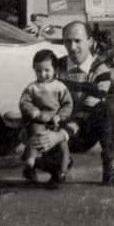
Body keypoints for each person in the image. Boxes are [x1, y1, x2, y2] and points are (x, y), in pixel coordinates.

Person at [30, 21, 114, 187]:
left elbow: (87, 111)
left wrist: (60, 135)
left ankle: (109, 168)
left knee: (107, 109)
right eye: (67, 41)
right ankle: (57, 164)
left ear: (90, 42)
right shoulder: (55, 67)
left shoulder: (101, 71)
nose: (72, 47)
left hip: (85, 131)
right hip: (58, 126)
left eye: (77, 41)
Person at [18, 49, 73, 186]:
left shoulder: (60, 87)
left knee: (62, 145)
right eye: (38, 71)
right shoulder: (32, 88)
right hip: (38, 120)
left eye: (47, 70)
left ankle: (62, 171)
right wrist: (33, 111)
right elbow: (24, 102)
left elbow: (67, 104)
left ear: (55, 69)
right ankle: (30, 164)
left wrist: (60, 116)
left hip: (55, 122)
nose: (43, 74)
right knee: (36, 136)